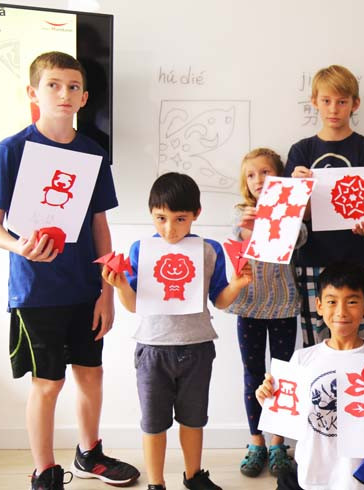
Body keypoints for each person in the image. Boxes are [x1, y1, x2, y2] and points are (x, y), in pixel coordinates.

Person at [0, 51, 139, 490]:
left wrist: (107, 292)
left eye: (72, 87)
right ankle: (45, 471)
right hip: (37, 292)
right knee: (47, 384)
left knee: (91, 375)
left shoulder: (92, 153)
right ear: (33, 93)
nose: (63, 94)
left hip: (86, 288)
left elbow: (100, 225)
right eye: (53, 85)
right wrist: (20, 247)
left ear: (85, 97)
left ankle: (90, 454)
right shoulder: (10, 151)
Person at [103, 172, 253, 490]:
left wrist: (238, 284)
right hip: (153, 348)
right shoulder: (141, 249)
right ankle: (156, 483)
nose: (170, 229)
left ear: (196, 214)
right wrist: (118, 286)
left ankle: (193, 475)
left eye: (180, 219)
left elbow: (220, 300)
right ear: (151, 214)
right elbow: (134, 305)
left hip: (197, 346)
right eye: (161, 218)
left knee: (194, 418)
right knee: (153, 423)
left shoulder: (208, 249)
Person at [255, 262, 364, 490]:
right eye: (332, 301)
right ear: (319, 306)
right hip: (310, 472)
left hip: (359, 477)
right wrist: (269, 400)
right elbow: (287, 421)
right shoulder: (302, 359)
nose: (341, 311)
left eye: (352, 301)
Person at [284, 65, 364, 346]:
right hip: (311, 258)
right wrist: (297, 192)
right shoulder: (301, 151)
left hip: (357, 256)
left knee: (356, 341)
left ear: (355, 104)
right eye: (326, 101)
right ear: (314, 102)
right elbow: (291, 219)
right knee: (314, 343)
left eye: (342, 102)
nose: (333, 109)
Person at [227, 148, 304, 478]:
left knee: (283, 375)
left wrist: (278, 218)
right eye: (251, 174)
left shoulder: (289, 210)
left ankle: (278, 442)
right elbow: (235, 242)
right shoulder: (240, 214)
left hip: (283, 304)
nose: (258, 180)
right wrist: (247, 227)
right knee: (252, 374)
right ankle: (256, 440)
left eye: (266, 173)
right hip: (249, 305)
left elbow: (299, 239)